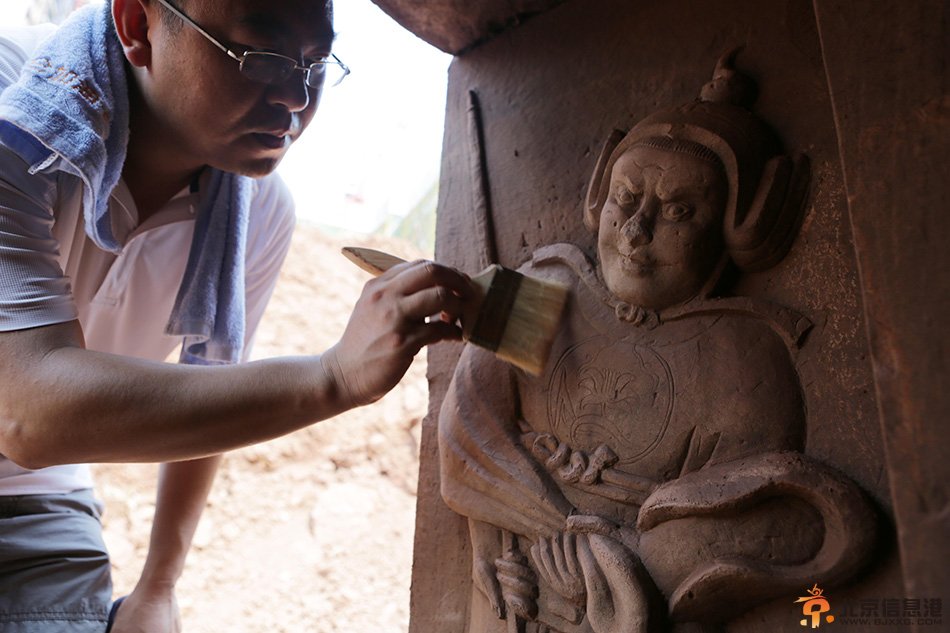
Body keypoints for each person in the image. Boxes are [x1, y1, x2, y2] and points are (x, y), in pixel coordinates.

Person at [0, 0, 473, 630]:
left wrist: (159, 588)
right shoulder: (20, 111)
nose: (296, 99)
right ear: (137, 26)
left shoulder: (256, 213)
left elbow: (210, 386)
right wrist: (331, 377)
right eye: (263, 56)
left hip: (41, 500)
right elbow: (28, 414)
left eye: (314, 64)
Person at [437, 53, 875, 632]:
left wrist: (609, 564)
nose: (636, 230)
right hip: (514, 589)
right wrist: (526, 538)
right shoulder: (542, 288)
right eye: (626, 198)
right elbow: (469, 439)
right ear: (600, 196)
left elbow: (741, 525)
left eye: (678, 211)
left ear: (736, 227)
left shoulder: (742, 354)